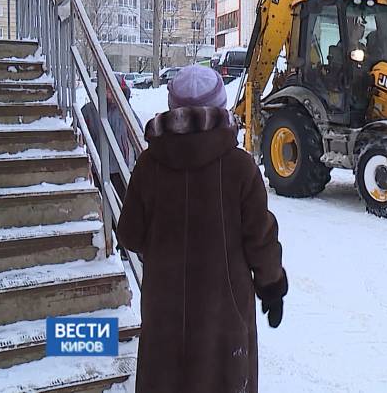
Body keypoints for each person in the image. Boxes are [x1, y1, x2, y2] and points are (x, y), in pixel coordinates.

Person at [117, 65, 287, 393]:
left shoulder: (148, 166)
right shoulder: (240, 167)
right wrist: (272, 286)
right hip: (224, 317)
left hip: (164, 315)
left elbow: (130, 234)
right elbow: (260, 239)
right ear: (221, 108)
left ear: (173, 108)